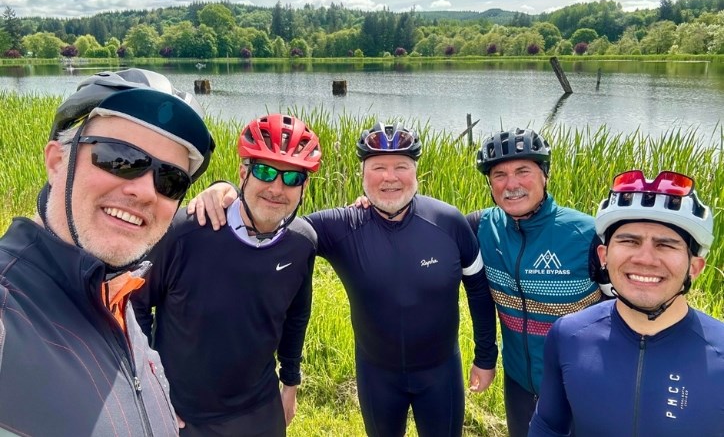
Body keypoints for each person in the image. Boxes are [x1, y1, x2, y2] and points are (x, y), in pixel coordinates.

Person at [189, 121, 498, 437]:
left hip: (441, 375)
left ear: (416, 171)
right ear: (362, 174)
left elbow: (477, 290)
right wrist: (226, 189)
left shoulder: (448, 222)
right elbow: (275, 223)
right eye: (378, 167)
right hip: (377, 377)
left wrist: (486, 356)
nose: (389, 177)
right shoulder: (343, 227)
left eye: (400, 167)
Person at [0, 68, 215, 436]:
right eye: (121, 158)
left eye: (171, 179)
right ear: (56, 162)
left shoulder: (115, 295)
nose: (146, 191)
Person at [131, 114, 321, 437]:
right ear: (243, 172)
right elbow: (134, 305)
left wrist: (290, 382)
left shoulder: (302, 243)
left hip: (259, 408)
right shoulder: (185, 232)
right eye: (264, 171)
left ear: (304, 186)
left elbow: (296, 316)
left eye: (292, 178)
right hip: (186, 412)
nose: (277, 188)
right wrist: (149, 383)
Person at [529, 169, 723, 436]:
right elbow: (548, 426)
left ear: (695, 267)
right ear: (604, 256)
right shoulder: (568, 335)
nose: (645, 259)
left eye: (666, 245)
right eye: (629, 241)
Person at [465, 128, 603, 437]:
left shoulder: (588, 235)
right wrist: (369, 210)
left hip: (580, 386)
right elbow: (425, 232)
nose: (511, 184)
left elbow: (621, 314)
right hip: (519, 384)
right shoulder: (480, 228)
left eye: (523, 171)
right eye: (499, 174)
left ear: (544, 175)